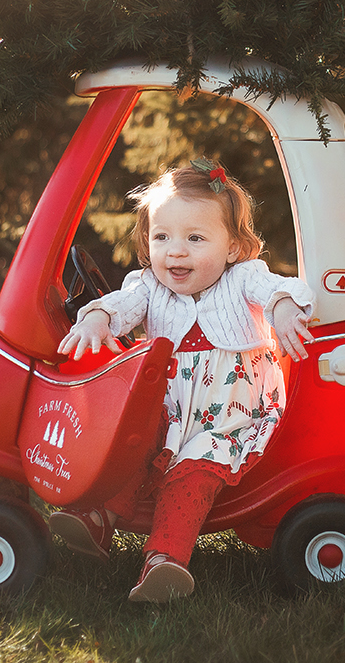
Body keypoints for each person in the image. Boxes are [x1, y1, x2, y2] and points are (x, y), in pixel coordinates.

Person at [53, 160, 314, 602]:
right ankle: (98, 519)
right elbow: (122, 304)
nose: (175, 252)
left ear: (232, 247)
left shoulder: (243, 278)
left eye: (195, 239)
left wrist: (286, 307)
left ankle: (165, 561)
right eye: (162, 237)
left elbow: (275, 289)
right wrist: (97, 317)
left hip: (229, 418)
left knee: (192, 473)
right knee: (130, 443)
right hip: (168, 409)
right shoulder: (149, 286)